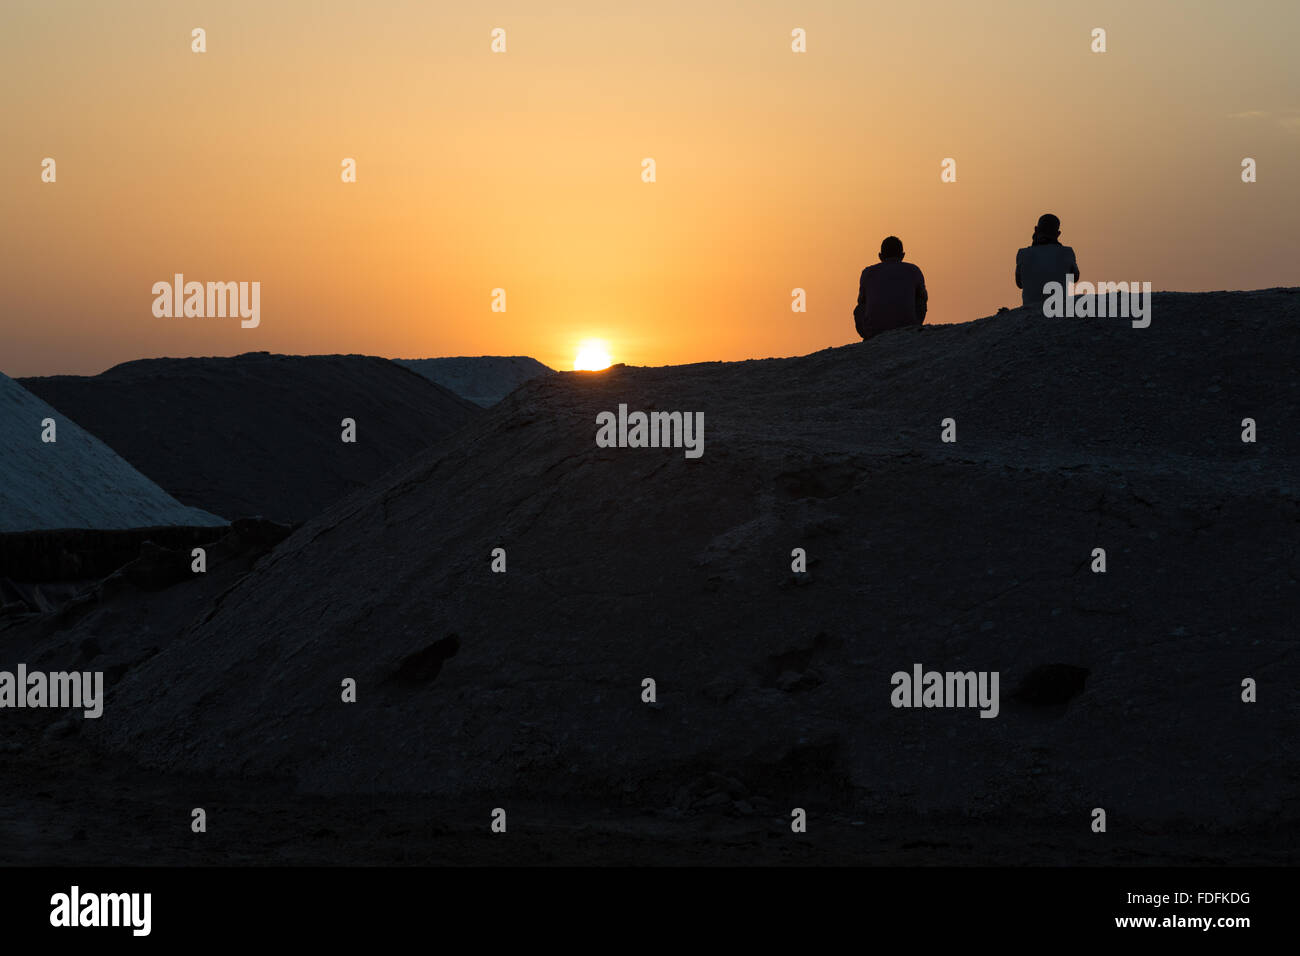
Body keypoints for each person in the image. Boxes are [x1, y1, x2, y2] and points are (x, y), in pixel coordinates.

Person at [853, 236, 928, 340]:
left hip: (875, 332)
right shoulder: (914, 270)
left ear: (880, 256)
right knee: (920, 298)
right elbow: (923, 297)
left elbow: (861, 301)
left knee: (859, 307)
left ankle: (869, 337)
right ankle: (914, 327)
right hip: (907, 327)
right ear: (902, 255)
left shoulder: (867, 273)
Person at [1015, 214, 1079, 307]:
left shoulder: (1023, 253)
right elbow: (1074, 278)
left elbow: (1020, 284)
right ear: (1058, 234)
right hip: (1059, 308)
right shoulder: (1067, 252)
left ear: (1036, 230)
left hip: (1030, 307)